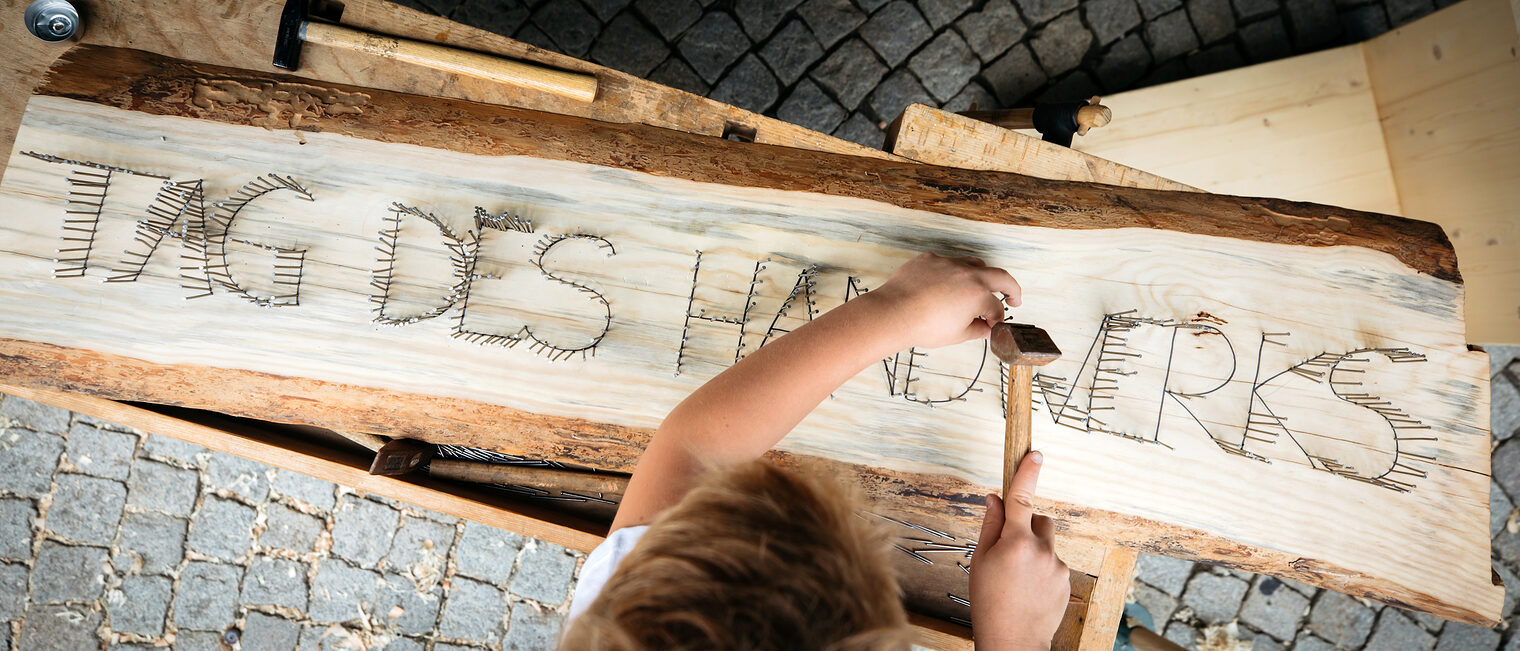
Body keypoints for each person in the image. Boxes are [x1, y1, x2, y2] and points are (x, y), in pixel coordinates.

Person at [560, 253, 1070, 650]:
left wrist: (897, 309)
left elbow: (693, 447)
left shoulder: (628, 624)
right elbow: (692, 451)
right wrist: (1016, 637)